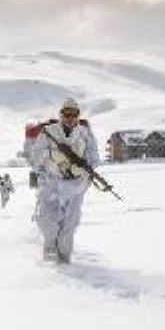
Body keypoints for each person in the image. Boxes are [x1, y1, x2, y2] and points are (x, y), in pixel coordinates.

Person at [28, 97, 101, 263]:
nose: (69, 117)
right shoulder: (48, 132)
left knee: (70, 224)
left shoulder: (85, 133)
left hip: (76, 185)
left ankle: (64, 258)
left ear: (78, 115)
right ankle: (49, 252)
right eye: (66, 114)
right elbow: (36, 156)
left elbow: (94, 158)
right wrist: (54, 158)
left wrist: (81, 169)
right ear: (61, 115)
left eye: (73, 114)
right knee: (48, 221)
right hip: (51, 183)